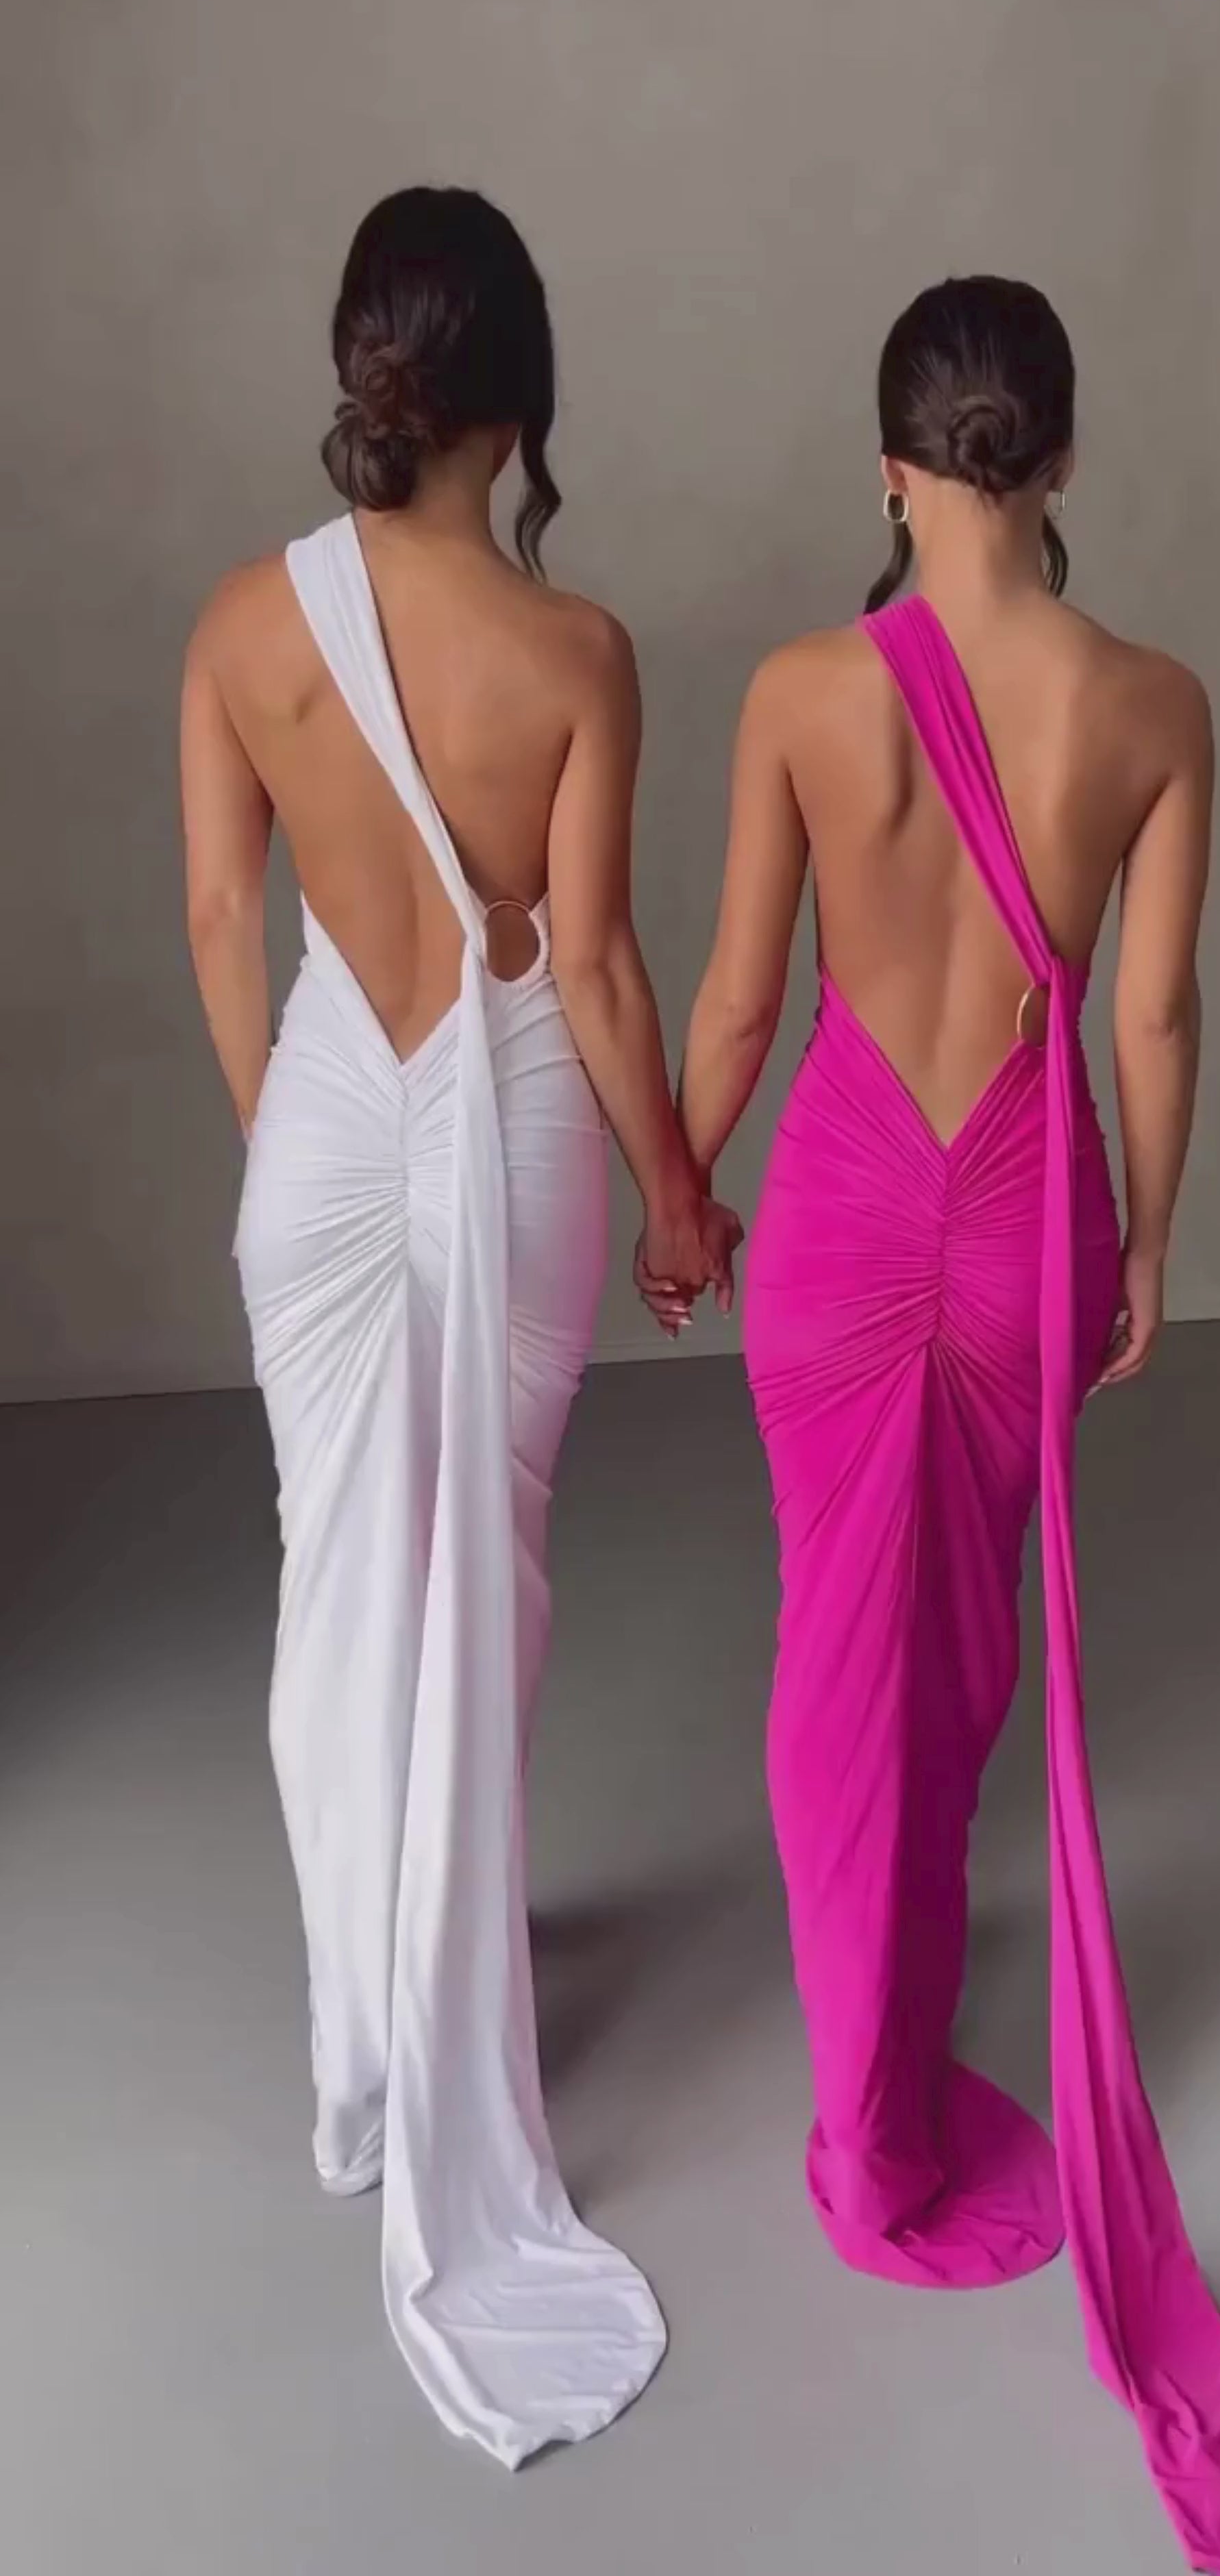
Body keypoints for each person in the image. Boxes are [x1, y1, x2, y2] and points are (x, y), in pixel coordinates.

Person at [657, 279, 1220, 2573]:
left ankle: (869, 2117)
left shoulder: (802, 693)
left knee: (837, 1658)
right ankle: (891, 2063)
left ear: (890, 466)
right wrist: (1149, 1240)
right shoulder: (1151, 704)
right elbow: (1150, 1016)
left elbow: (743, 999)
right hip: (1024, 1224)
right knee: (953, 1664)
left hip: (845, 1212)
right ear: (1060, 459)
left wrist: (680, 1191)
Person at [181, 186, 734, 2465]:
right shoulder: (578, 653)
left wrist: (299, 1146)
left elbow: (225, 914)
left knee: (338, 1581)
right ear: (516, 397)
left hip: (326, 1123)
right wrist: (682, 1192)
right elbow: (588, 966)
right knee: (479, 1580)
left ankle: (365, 2052)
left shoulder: (246, 624)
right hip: (506, 1127)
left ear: (364, 371)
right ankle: (440, 1998)